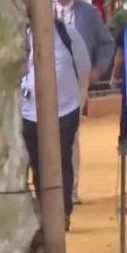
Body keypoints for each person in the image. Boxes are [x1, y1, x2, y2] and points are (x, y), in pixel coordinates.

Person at [51, 0, 114, 206]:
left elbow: (107, 42)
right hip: (46, 82)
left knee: (70, 132)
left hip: (77, 81)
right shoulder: (42, 10)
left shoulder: (88, 13)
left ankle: (71, 188)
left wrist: (99, 69)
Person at [21, 16, 91, 227]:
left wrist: (74, 96)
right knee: (37, 163)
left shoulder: (67, 33)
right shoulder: (21, 37)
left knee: (62, 158)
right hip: (29, 112)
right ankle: (45, 210)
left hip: (65, 110)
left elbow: (84, 67)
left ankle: (63, 212)